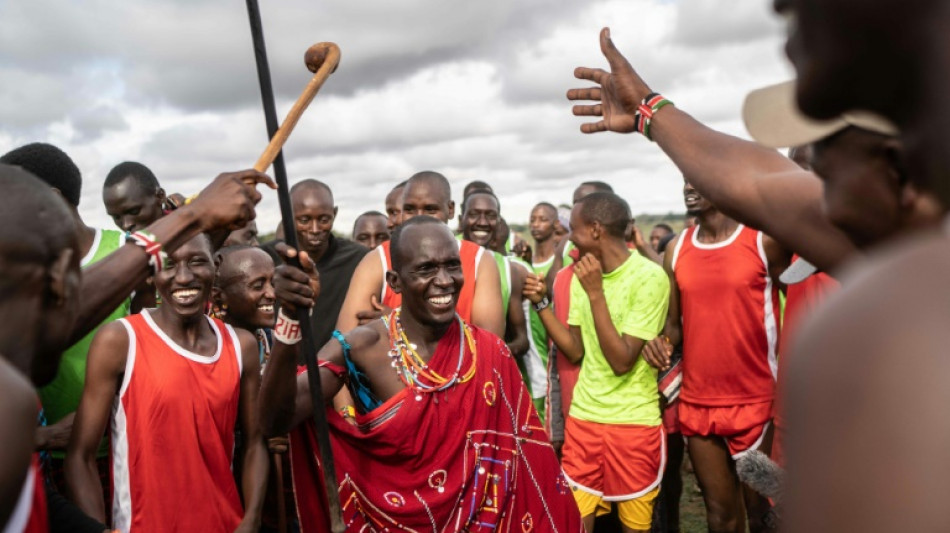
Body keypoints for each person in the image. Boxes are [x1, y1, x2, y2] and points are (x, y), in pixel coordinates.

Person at [260, 216, 583, 531]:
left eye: (452, 266)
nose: (444, 280)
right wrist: (290, 316)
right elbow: (276, 419)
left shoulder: (489, 352)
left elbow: (528, 466)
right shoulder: (364, 346)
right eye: (426, 269)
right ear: (395, 282)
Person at [762, 1, 950, 531]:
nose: (812, 170)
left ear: (893, 164)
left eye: (823, 149)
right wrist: (650, 112)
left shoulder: (889, 322)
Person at [66, 234, 268, 532]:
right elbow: (79, 456)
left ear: (215, 266)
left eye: (197, 261)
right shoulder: (121, 340)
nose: (183, 277)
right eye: (169, 264)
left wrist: (250, 520)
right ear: (152, 274)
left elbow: (254, 443)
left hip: (225, 524)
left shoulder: (241, 346)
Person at [644, 183, 788, 533]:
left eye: (700, 179)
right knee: (720, 516)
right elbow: (674, 326)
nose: (689, 186)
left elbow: (799, 298)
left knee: (765, 514)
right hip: (699, 404)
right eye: (684, 179)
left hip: (756, 406)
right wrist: (658, 343)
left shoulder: (763, 241)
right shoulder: (677, 249)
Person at [524, 192, 669, 533]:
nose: (569, 238)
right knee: (572, 524)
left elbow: (621, 360)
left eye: (573, 229)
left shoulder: (649, 278)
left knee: (635, 527)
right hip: (584, 422)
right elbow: (574, 350)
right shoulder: (581, 276)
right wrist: (543, 304)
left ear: (595, 230)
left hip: (634, 427)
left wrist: (595, 294)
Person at [0, 143, 129, 498]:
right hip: (40, 453)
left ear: (53, 198)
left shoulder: (127, 255)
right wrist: (44, 436)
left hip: (123, 447)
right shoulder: (17, 269)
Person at [336, 171, 504, 337]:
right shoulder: (378, 260)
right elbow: (346, 342)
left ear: (450, 209)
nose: (419, 219)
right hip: (387, 364)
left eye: (430, 209)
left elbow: (490, 346)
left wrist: (395, 323)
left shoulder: (479, 261)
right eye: (409, 210)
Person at [290, 179, 367, 353]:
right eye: (304, 220)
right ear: (288, 215)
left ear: (335, 214)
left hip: (342, 369)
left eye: (324, 219)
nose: (315, 229)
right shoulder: (271, 259)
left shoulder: (359, 259)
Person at [458, 191, 529, 358]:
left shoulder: (507, 268)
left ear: (498, 221)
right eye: (474, 214)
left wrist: (490, 354)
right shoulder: (445, 256)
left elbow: (522, 339)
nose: (482, 222)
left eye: (490, 216)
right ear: (461, 219)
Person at [102, 161, 169, 233]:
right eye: (116, 217)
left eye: (134, 211)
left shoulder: (181, 231)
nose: (126, 225)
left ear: (160, 196)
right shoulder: (126, 243)